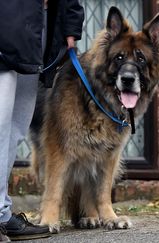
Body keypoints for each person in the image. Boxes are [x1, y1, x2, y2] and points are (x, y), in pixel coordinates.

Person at [0, 0, 84, 241]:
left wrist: (70, 25)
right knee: (0, 125)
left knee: (15, 128)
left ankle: (2, 213)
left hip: (40, 22)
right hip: (7, 19)